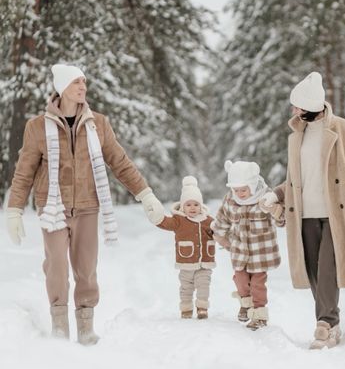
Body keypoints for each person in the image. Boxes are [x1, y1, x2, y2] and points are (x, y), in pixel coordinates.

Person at [6, 63, 164, 344]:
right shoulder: (37, 126)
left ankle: (86, 326)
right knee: (56, 264)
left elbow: (120, 162)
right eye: (77, 82)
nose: (83, 87)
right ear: (62, 87)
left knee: (86, 267)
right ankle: (59, 325)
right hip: (52, 207)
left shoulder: (98, 124)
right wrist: (15, 209)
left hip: (88, 206)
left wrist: (145, 194)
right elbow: (25, 170)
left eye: (84, 82)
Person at [260, 72, 345, 349]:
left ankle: (326, 323)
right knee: (314, 271)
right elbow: (295, 179)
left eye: (297, 106)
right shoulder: (297, 135)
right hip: (304, 214)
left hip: (337, 213)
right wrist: (276, 194)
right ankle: (332, 322)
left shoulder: (342, 129)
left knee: (329, 267)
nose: (293, 110)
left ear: (311, 105)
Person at [212, 160, 284, 330]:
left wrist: (275, 210)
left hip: (261, 252)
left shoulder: (266, 197)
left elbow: (281, 221)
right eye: (236, 190)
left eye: (243, 190)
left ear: (252, 185)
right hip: (239, 250)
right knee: (240, 280)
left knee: (258, 284)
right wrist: (219, 234)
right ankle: (245, 303)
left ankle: (259, 314)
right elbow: (223, 217)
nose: (240, 193)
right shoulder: (231, 199)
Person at [155, 175, 215, 319]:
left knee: (203, 286)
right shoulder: (179, 221)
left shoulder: (208, 220)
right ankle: (186, 308)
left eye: (196, 204)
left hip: (204, 263)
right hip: (186, 262)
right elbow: (164, 222)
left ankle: (202, 308)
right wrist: (155, 215)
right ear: (183, 206)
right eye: (188, 205)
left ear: (201, 206)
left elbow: (219, 230)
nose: (192, 208)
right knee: (186, 287)